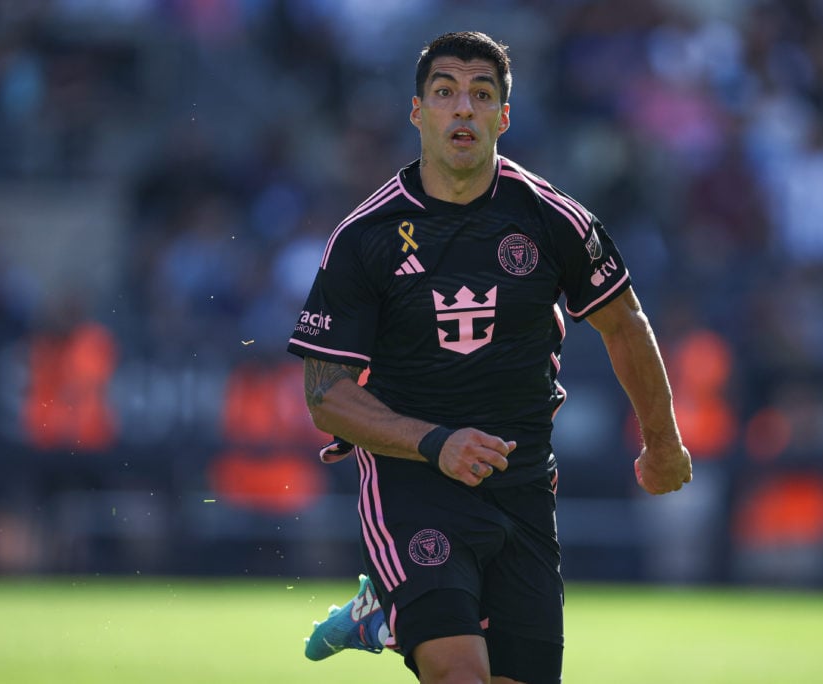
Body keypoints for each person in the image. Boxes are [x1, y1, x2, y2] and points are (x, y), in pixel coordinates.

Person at [287, 31, 692, 684]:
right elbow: (324, 394)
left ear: (505, 116)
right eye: (444, 93)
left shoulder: (553, 218)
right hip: (412, 485)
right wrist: (434, 442)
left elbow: (625, 324)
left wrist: (663, 442)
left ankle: (387, 616)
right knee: (460, 674)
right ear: (417, 112)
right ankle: (405, 605)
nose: (463, 110)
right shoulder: (365, 236)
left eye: (482, 95)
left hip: (523, 486)